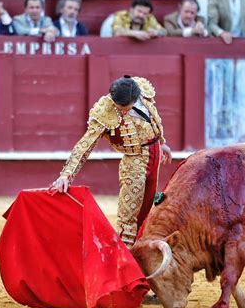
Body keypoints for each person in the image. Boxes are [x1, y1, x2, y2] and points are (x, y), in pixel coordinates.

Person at [50, 75, 172, 248]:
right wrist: (66, 175)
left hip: (155, 155)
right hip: (134, 162)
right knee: (128, 216)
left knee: (147, 211)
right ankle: (125, 261)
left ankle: (143, 255)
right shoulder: (105, 110)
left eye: (125, 107)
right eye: (119, 107)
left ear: (136, 98)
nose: (121, 111)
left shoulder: (141, 92)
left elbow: (152, 120)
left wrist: (161, 142)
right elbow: (85, 145)